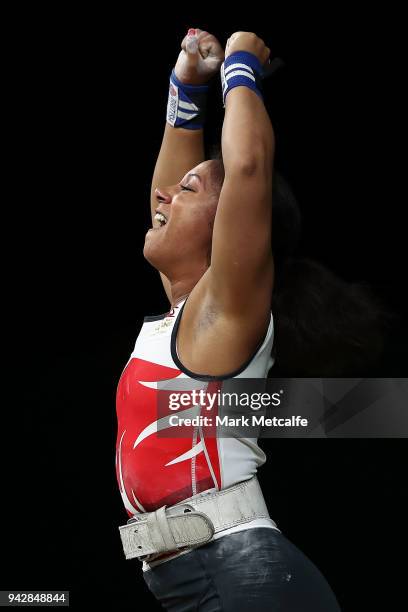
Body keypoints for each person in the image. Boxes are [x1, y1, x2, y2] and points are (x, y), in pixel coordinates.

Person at [115, 27, 361, 611]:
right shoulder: (181, 315)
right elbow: (164, 191)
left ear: (229, 224)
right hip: (196, 578)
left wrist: (241, 63)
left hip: (243, 575)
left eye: (190, 190)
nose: (164, 200)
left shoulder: (222, 315)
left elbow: (247, 167)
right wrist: (186, 84)